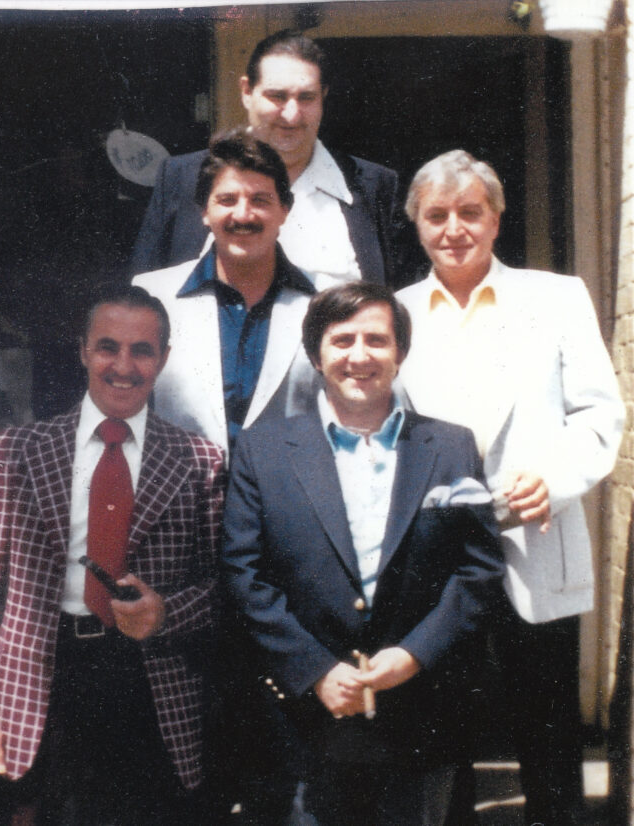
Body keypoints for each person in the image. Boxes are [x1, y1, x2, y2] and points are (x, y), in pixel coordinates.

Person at [395, 149, 625, 826]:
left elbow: (599, 413)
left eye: (470, 212)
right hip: (438, 555)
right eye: (437, 215)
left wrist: (553, 479)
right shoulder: (398, 312)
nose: (454, 229)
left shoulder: (555, 298)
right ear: (417, 225)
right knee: (445, 731)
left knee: (547, 727)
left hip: (535, 537)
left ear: (496, 219)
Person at [222, 282, 504, 826]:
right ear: (315, 354)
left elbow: (479, 568)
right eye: (342, 340)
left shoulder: (451, 446)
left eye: (376, 340)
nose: (359, 356)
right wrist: (315, 669)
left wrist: (415, 654)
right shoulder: (264, 450)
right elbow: (243, 571)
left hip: (420, 715)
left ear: (400, 352)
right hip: (307, 719)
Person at [0, 283, 226, 826]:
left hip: (149, 690)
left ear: (163, 358)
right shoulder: (21, 450)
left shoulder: (200, 461)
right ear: (82, 351)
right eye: (107, 347)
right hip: (37, 690)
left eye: (141, 351)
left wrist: (166, 613)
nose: (123, 366)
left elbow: (225, 590)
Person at [131, 30, 419, 289]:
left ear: (323, 96)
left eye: (306, 97)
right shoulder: (183, 177)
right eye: (277, 96)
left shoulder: (374, 187)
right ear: (247, 92)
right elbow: (142, 299)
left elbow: (401, 302)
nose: (291, 115)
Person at [133, 128, 317, 454]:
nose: (243, 215)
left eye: (260, 200)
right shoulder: (151, 296)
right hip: (182, 484)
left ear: (285, 211)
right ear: (204, 211)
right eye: (227, 200)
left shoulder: (324, 301)